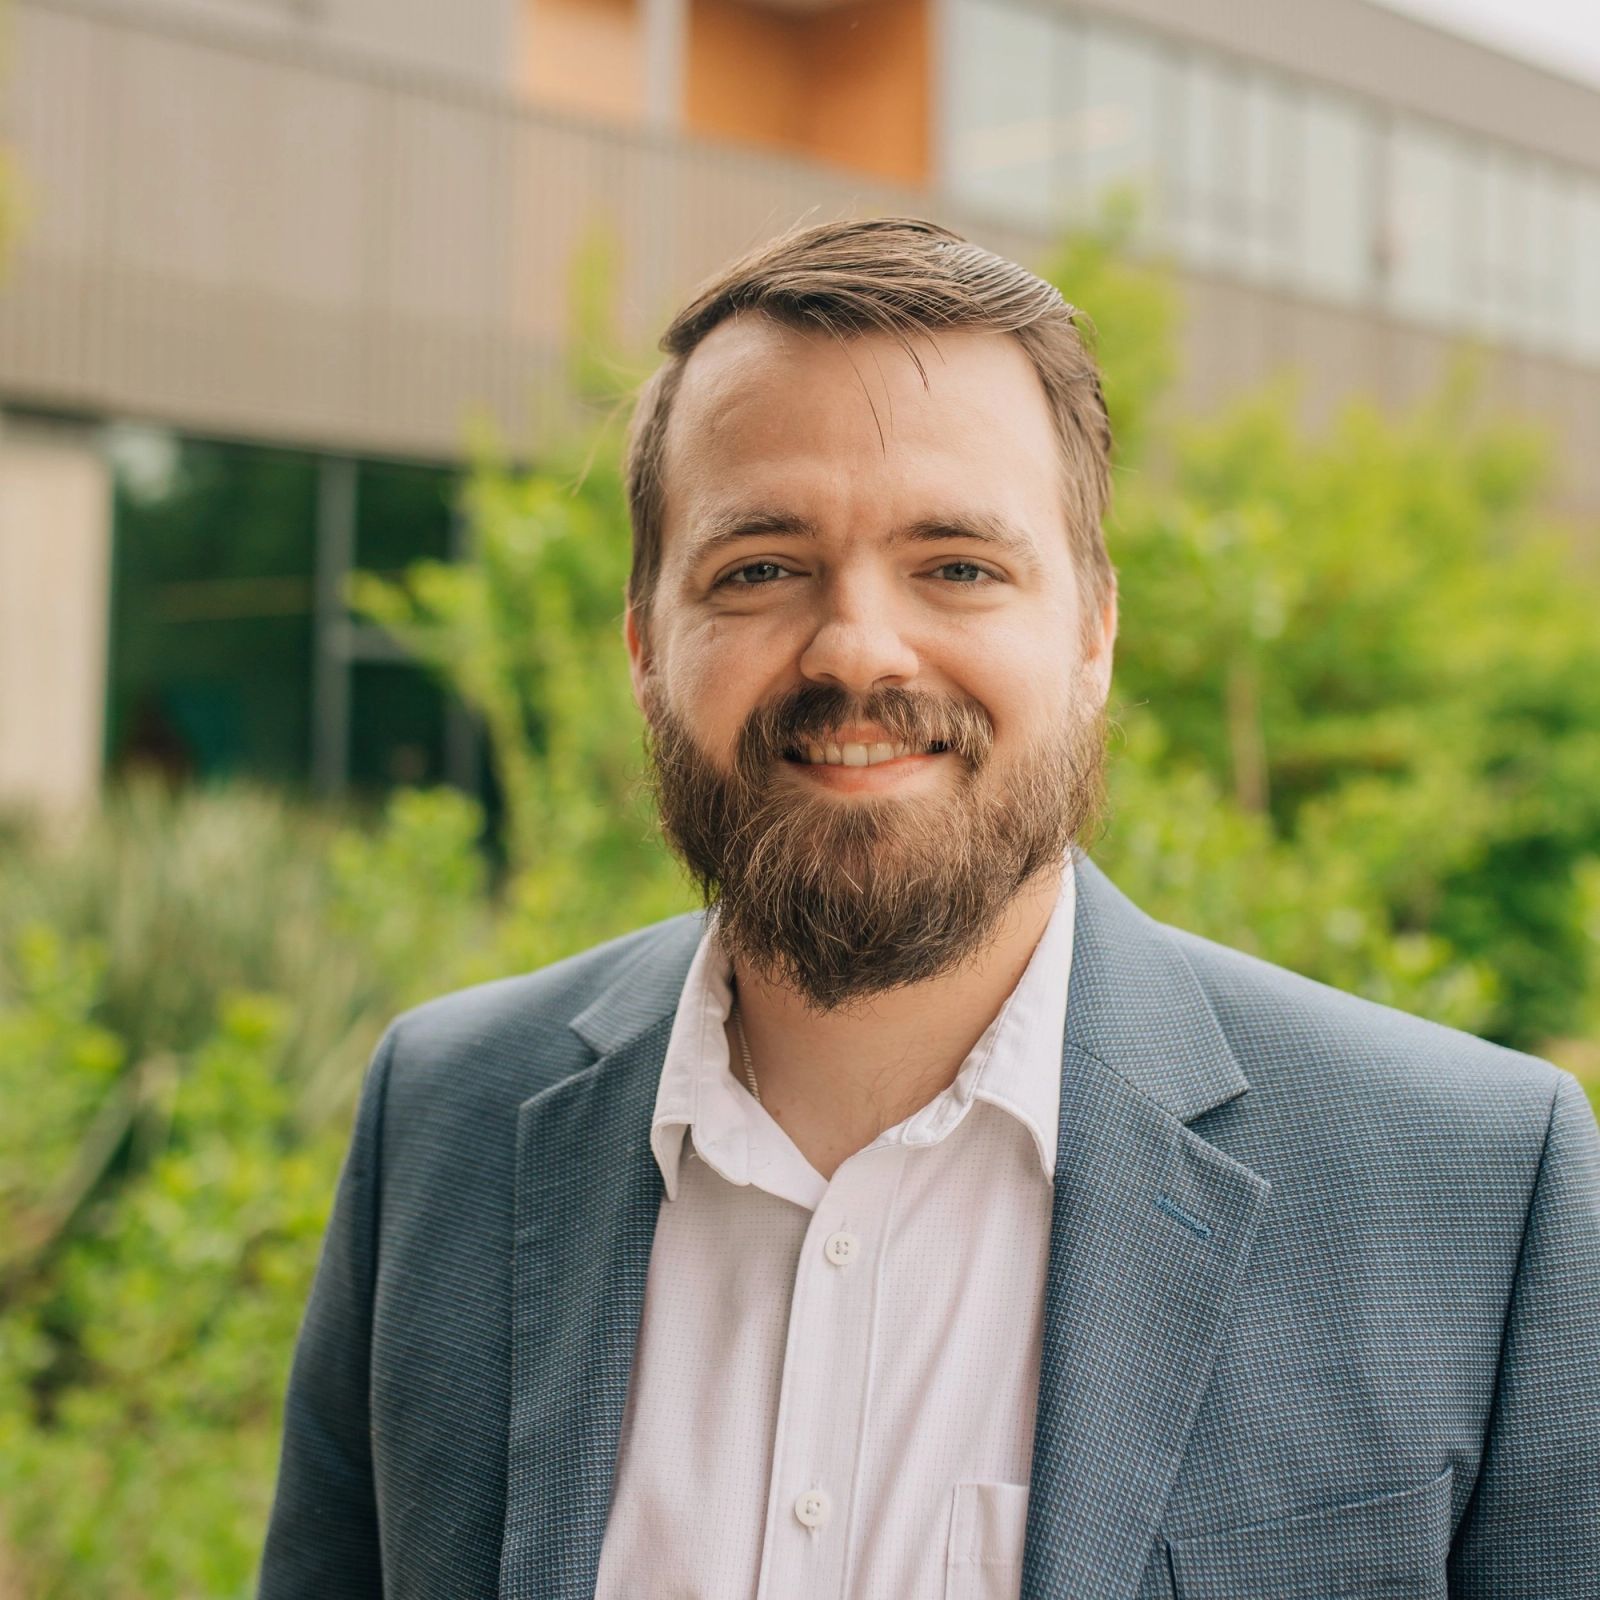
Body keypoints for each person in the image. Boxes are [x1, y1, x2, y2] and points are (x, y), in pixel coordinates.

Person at [258, 217, 1600, 1600]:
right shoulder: (445, 1120)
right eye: (759, 568)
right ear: (649, 646)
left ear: (1093, 635)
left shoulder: (1480, 1194)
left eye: (958, 564)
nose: (856, 649)